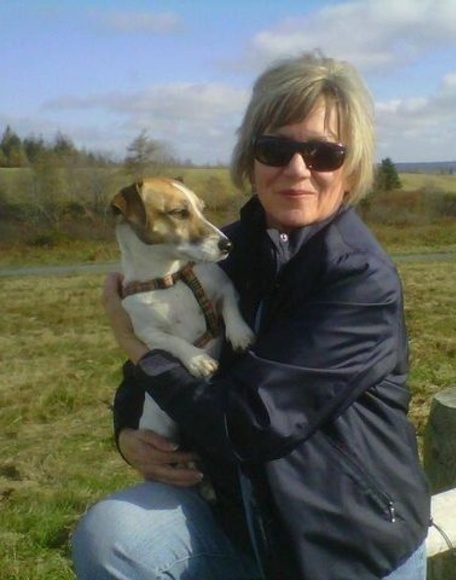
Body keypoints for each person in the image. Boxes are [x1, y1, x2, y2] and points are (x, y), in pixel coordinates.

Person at [72, 50, 431, 579]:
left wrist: (133, 344)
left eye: (324, 154)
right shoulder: (222, 252)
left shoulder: (359, 280)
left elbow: (251, 423)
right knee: (112, 539)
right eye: (275, 148)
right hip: (236, 513)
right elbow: (155, 364)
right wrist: (130, 433)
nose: (296, 169)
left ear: (352, 168)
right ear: (251, 158)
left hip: (343, 543)